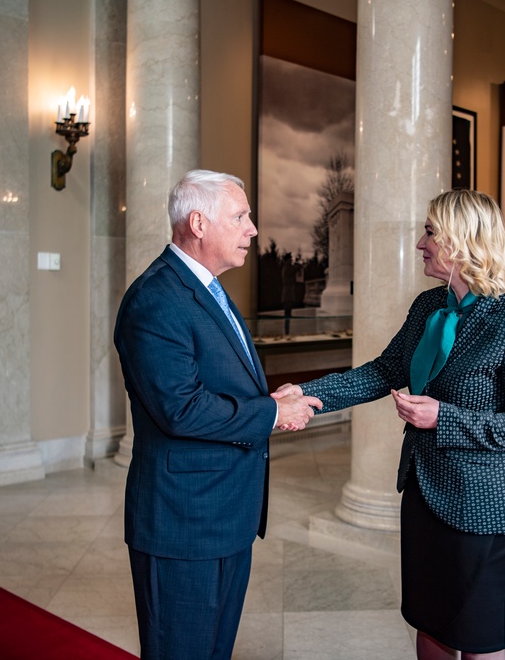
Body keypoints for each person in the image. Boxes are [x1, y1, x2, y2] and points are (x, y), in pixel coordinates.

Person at [275, 189, 505, 660]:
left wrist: (445, 418)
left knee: (478, 641)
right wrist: (311, 394)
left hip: (486, 509)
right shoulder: (429, 307)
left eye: (430, 231)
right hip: (426, 495)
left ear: (463, 240)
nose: (421, 242)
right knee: (429, 627)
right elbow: (384, 370)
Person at [114, 169, 321, 660]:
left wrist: (270, 401)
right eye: (241, 216)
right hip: (183, 522)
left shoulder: (206, 287)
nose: (252, 228)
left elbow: (221, 381)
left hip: (225, 514)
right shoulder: (155, 299)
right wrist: (271, 413)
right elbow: (180, 409)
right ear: (199, 223)